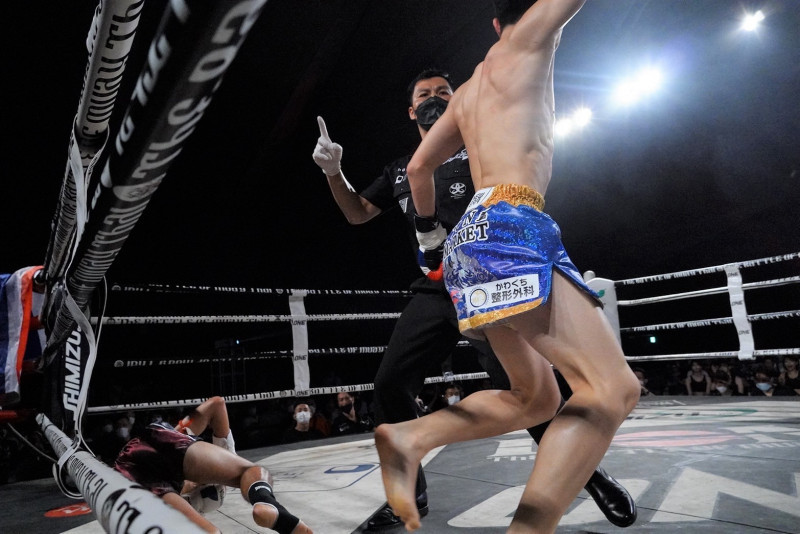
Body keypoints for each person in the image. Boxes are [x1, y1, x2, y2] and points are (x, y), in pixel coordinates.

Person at [312, 66, 635, 530]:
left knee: (527, 391)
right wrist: (333, 173)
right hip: (436, 288)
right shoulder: (401, 167)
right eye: (424, 94)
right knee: (390, 383)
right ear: (411, 111)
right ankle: (410, 496)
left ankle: (587, 473)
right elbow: (357, 213)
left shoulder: (478, 146)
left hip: (490, 277)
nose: (435, 98)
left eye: (444, 91)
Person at [113, 409, 312, 533]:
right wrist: (182, 427)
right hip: (166, 455)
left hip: (139, 464)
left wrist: (181, 427)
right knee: (251, 471)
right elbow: (217, 405)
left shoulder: (184, 454)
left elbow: (216, 403)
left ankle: (268, 504)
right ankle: (265, 501)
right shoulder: (225, 452)